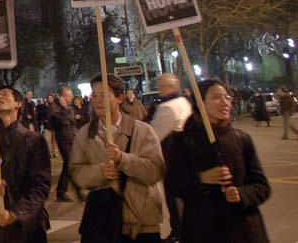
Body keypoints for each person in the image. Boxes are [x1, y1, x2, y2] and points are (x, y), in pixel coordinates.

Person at [167, 79, 270, 242]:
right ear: (200, 103)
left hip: (245, 231)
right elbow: (173, 184)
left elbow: (262, 186)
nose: (225, 102)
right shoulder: (183, 140)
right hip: (203, 230)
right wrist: (201, 178)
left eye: (227, 97)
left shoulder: (241, 139)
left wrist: (241, 194)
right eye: (216, 97)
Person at [70, 74, 165, 243]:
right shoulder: (85, 134)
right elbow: (77, 172)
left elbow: (155, 171)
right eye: (95, 95)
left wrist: (124, 159)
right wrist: (100, 172)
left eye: (104, 95)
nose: (97, 100)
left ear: (120, 98)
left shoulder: (142, 131)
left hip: (141, 221)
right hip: (103, 220)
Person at [0, 86, 50, 243]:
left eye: (5, 94)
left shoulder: (34, 140)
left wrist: (16, 214)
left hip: (27, 224)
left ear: (18, 104)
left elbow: (41, 186)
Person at [149, 73, 192, 241]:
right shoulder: (183, 102)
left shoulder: (167, 107)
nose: (159, 89)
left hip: (171, 155)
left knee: (173, 195)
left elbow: (153, 135)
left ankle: (178, 231)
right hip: (185, 155)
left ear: (172, 87)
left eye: (162, 86)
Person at [50, 87, 77, 201]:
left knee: (73, 164)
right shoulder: (55, 107)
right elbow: (63, 120)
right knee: (68, 163)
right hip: (63, 139)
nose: (69, 98)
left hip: (72, 137)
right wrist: (65, 108)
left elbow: (72, 120)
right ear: (61, 96)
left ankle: (76, 189)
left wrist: (67, 111)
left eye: (70, 95)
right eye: (66, 95)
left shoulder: (69, 108)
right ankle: (61, 192)